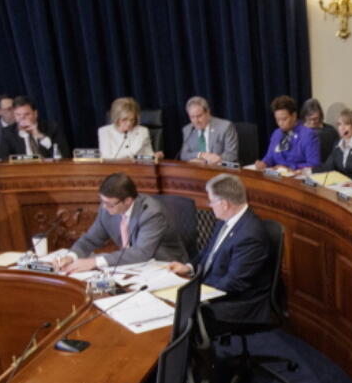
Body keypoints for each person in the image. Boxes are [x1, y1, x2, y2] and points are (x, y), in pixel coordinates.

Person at [168, 174, 273, 330]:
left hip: (237, 303)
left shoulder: (251, 235)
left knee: (179, 317)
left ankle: (199, 353)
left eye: (211, 201)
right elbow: (208, 251)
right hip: (214, 286)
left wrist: (195, 294)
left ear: (224, 204)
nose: (209, 205)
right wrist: (189, 267)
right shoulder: (225, 221)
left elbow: (234, 283)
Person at [54, 172, 189, 273]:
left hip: (166, 266)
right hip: (132, 267)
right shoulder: (106, 209)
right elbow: (90, 239)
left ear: (128, 201)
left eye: (110, 204)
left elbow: (141, 252)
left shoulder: (151, 212)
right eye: (102, 201)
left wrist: (94, 261)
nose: (104, 207)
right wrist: (71, 256)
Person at [0, 96, 69, 160]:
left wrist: (40, 136)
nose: (22, 118)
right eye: (18, 115)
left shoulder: (52, 128)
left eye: (26, 114)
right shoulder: (8, 132)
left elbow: (63, 155)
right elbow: (1, 158)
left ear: (35, 114)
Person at [260, 95, 321, 171]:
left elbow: (314, 165)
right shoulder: (276, 134)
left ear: (294, 116)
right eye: (278, 119)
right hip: (277, 177)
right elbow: (270, 157)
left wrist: (291, 167)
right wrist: (264, 163)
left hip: (297, 179)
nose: (280, 123)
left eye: (284, 119)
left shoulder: (308, 135)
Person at [178, 96, 238, 165]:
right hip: (199, 170)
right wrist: (200, 155)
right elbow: (184, 155)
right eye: (192, 117)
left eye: (199, 116)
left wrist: (207, 161)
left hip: (224, 166)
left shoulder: (225, 127)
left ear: (207, 112)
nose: (196, 121)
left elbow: (232, 155)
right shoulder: (188, 130)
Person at [301, 98, 339, 163]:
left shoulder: (330, 132)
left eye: (315, 119)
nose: (312, 122)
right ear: (304, 117)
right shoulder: (298, 132)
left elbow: (336, 155)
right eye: (309, 119)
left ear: (320, 116)